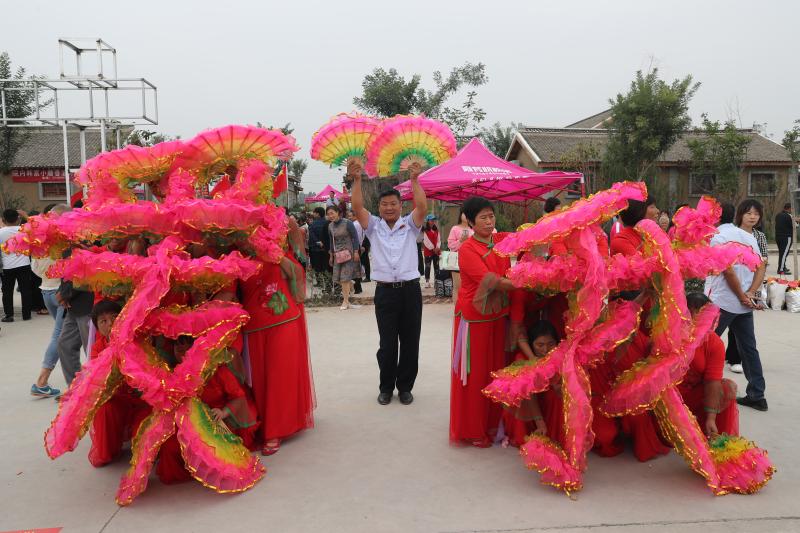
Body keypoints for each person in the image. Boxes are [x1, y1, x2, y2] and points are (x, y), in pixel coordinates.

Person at [350, 159, 426, 406]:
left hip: (410, 292)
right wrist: (357, 179)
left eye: (393, 203)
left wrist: (415, 180)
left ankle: (405, 388)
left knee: (410, 342)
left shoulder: (410, 225)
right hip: (385, 293)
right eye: (385, 204)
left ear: (401, 205)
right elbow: (357, 207)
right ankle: (385, 387)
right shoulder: (373, 226)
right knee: (387, 344)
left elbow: (422, 207)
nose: (389, 207)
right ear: (379, 207)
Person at [241, 220, 315, 456]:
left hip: (284, 319)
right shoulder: (232, 236)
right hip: (252, 324)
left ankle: (275, 430)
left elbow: (299, 271)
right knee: (259, 378)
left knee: (280, 374)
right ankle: (261, 426)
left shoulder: (281, 224)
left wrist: (275, 254)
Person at [449, 196, 516, 447]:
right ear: (470, 221)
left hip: (498, 315)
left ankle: (493, 423)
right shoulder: (467, 249)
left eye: (491, 216)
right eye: (483, 217)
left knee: (496, 369)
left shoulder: (500, 242)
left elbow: (525, 237)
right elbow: (489, 280)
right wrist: (524, 281)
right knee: (475, 374)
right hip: (474, 319)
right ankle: (473, 428)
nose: (489, 222)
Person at [155, 335, 260, 483]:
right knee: (170, 446)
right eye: (178, 349)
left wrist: (223, 412)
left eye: (187, 349)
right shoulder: (174, 373)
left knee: (214, 454)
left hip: (218, 419)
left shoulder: (217, 370)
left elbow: (239, 397)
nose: (182, 353)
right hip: (191, 422)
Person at [705, 200, 767, 412]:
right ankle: (757, 395)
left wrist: (742, 295)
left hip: (723, 302)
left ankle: (698, 392)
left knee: (705, 346)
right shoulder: (748, 237)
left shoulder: (718, 237)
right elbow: (761, 266)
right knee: (749, 349)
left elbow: (728, 272)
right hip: (743, 304)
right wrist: (750, 294)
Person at [87, 300, 151, 467]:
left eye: (114, 317)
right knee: (104, 410)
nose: (110, 324)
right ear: (97, 327)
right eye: (103, 321)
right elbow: (98, 381)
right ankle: (106, 452)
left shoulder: (137, 340)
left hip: (141, 399)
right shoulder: (98, 348)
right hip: (116, 397)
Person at [680, 293, 740, 437]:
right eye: (689, 311)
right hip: (669, 395)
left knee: (726, 388)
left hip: (694, 394)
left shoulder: (714, 343)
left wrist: (711, 418)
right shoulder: (670, 335)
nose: (693, 316)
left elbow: (713, 381)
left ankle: (711, 432)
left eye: (699, 312)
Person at [501, 320, 563, 447]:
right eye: (540, 345)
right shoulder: (522, 359)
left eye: (551, 344)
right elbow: (528, 394)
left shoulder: (559, 355)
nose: (545, 349)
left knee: (556, 396)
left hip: (546, 401)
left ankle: (554, 434)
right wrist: (539, 421)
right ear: (531, 344)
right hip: (526, 404)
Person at [30, 206, 70, 398]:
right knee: (61, 337)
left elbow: (35, 268)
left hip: (46, 291)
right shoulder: (63, 241)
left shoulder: (40, 240)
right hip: (61, 294)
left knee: (64, 335)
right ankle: (42, 381)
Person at [56, 247, 95, 386]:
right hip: (73, 307)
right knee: (65, 345)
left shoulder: (85, 245)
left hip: (86, 306)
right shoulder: (66, 247)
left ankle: (93, 389)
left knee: (91, 351)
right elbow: (66, 275)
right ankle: (76, 387)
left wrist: (65, 295)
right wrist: (63, 293)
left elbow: (84, 275)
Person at [0, 208, 33, 322]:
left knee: (7, 292)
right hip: (24, 264)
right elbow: (37, 226)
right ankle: (26, 314)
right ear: (18, 218)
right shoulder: (24, 230)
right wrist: (26, 215)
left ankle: (9, 315)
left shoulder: (1, 232)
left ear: (4, 220)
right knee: (25, 290)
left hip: (7, 266)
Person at [326, 205, 361, 310]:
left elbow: (355, 237)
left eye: (332, 213)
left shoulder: (347, 223)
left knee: (344, 278)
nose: (330, 216)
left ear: (338, 212)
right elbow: (331, 242)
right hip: (338, 255)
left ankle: (345, 302)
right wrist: (331, 255)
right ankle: (351, 283)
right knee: (338, 278)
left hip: (349, 254)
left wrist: (356, 251)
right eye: (328, 214)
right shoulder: (330, 226)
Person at [447, 209, 473, 305]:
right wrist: (461, 241)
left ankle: (467, 307)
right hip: (457, 262)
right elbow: (450, 245)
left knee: (470, 287)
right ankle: (458, 309)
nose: (466, 216)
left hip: (471, 261)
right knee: (457, 287)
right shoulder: (455, 228)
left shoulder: (474, 229)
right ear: (460, 215)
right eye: (464, 213)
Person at [775, 202, 796, 275]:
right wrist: (797, 221)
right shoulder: (789, 216)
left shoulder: (778, 215)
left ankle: (783, 267)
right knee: (784, 254)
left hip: (778, 236)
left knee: (782, 253)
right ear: (790, 208)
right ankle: (781, 270)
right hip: (786, 237)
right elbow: (795, 226)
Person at [422, 214, 441, 288]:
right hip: (428, 251)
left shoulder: (436, 230)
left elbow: (439, 240)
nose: (433, 221)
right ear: (428, 221)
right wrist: (433, 248)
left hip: (436, 251)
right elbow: (426, 241)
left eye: (434, 220)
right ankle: (427, 281)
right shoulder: (425, 231)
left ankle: (437, 280)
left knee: (436, 266)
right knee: (428, 266)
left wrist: (437, 247)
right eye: (431, 220)